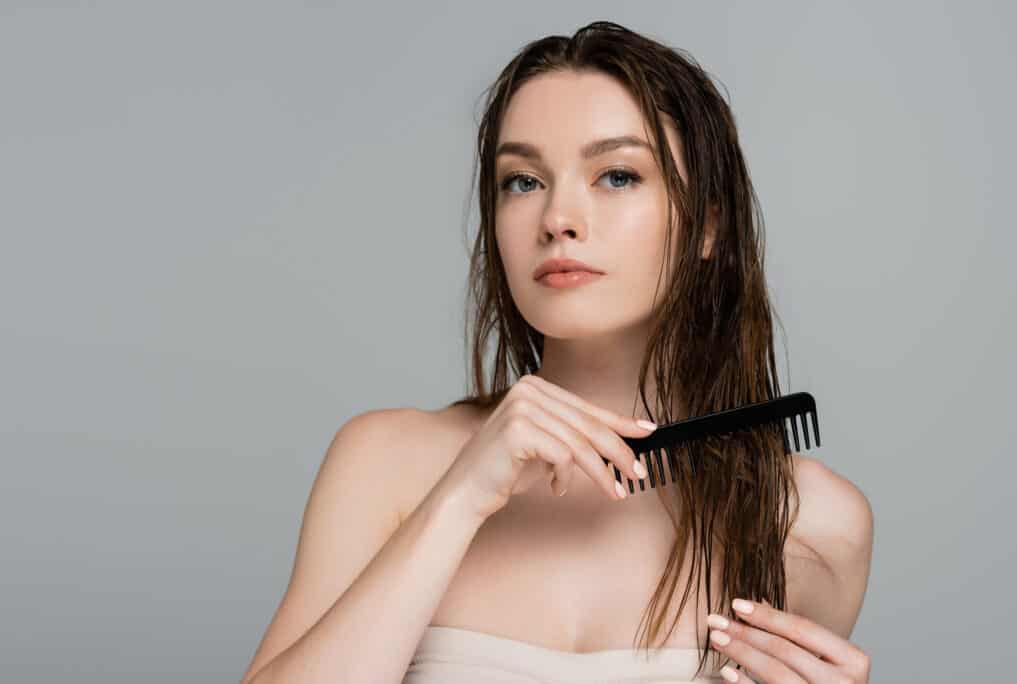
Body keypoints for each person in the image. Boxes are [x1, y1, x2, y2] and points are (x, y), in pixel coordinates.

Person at [239, 20, 874, 684]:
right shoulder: (387, 464)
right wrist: (460, 497)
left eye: (618, 175)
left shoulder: (812, 523)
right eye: (522, 181)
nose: (557, 218)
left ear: (709, 225)